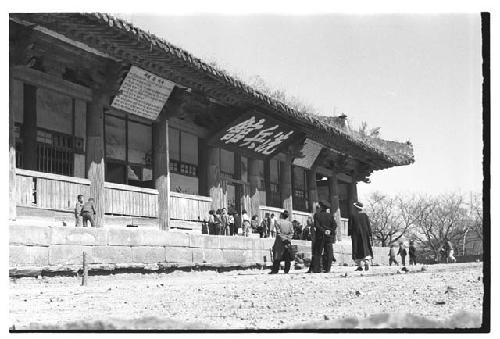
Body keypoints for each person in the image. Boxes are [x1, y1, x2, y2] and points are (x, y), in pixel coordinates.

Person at [311, 204, 337, 273]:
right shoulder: (330, 216)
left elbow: (317, 225)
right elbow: (334, 225)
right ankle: (327, 268)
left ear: (321, 207)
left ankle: (317, 269)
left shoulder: (317, 215)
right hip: (328, 236)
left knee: (318, 252)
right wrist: (330, 230)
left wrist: (323, 231)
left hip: (320, 236)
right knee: (329, 252)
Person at [348, 201, 373, 271]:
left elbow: (350, 227)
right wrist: (370, 234)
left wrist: (350, 234)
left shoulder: (352, 216)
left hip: (356, 235)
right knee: (365, 247)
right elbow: (368, 226)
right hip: (365, 235)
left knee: (357, 249)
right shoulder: (365, 216)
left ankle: (360, 265)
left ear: (356, 208)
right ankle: (367, 261)